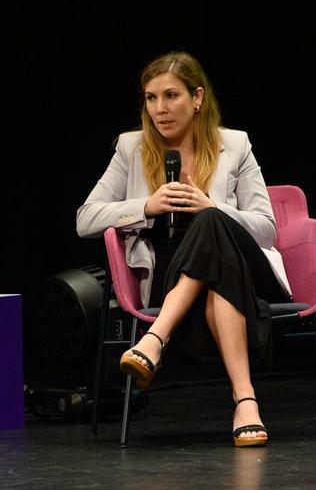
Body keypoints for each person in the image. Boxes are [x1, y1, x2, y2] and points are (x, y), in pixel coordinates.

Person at [76, 52, 290, 447]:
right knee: (215, 276)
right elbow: (85, 218)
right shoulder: (131, 148)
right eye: (151, 98)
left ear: (197, 98)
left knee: (210, 222)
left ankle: (155, 338)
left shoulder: (235, 145)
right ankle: (245, 401)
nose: (160, 108)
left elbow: (266, 229)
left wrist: (214, 207)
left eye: (171, 95)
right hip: (171, 276)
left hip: (246, 271)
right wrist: (146, 206)